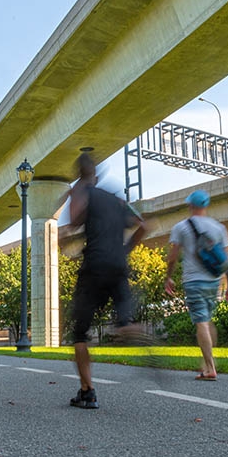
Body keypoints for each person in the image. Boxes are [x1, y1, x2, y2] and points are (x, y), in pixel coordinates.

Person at [67, 152, 147, 409]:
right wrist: (124, 251)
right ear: (98, 174)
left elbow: (74, 220)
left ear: (80, 174)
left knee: (79, 332)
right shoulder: (117, 200)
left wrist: (74, 192)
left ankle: (87, 391)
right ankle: (129, 328)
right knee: (124, 321)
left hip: (94, 266)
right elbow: (143, 225)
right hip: (119, 266)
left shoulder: (84, 193)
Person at [164, 189, 228, 381]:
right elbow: (226, 259)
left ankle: (210, 368)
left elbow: (173, 257)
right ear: (206, 206)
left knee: (201, 322)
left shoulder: (181, 227)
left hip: (193, 280)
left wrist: (168, 277)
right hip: (214, 280)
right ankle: (207, 363)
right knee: (207, 319)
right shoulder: (218, 227)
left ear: (190, 206)